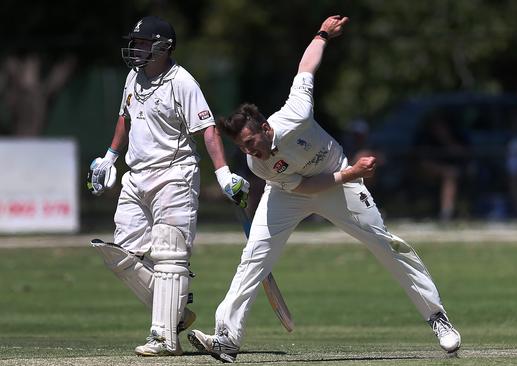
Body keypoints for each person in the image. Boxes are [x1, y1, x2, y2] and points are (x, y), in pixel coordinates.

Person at [187, 15, 461, 363]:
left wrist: (322, 35)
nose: (249, 150)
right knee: (254, 257)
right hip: (293, 192)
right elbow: (304, 187)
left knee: (386, 245)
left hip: (337, 177)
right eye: (242, 147)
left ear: (265, 127)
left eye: (251, 141)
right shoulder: (258, 164)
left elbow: (305, 68)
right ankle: (227, 338)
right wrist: (354, 173)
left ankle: (437, 318)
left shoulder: (296, 113)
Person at [86, 16, 249, 356]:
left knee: (169, 254)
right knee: (122, 254)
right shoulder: (133, 77)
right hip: (135, 176)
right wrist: (108, 157)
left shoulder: (183, 82)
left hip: (174, 174)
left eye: (143, 43)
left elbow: (207, 129)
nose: (136, 48)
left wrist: (222, 175)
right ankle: (177, 311)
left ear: (164, 46)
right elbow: (124, 118)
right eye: (135, 42)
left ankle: (164, 337)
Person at [413, 111, 468, 221]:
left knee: (450, 174)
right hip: (424, 172)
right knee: (449, 172)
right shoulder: (424, 137)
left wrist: (446, 139)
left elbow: (463, 154)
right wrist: (441, 169)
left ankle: (446, 213)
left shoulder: (456, 135)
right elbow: (421, 162)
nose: (438, 128)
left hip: (451, 172)